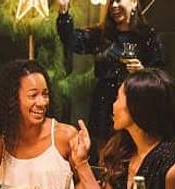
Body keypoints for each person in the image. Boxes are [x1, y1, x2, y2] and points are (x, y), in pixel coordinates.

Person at [57, 0, 164, 164]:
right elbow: (72, 41)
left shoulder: (147, 36)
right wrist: (64, 13)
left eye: (119, 0)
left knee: (132, 152)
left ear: (134, 2)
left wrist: (143, 71)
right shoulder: (102, 35)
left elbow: (160, 75)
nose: (114, 6)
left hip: (135, 103)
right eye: (111, 1)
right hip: (104, 102)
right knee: (103, 153)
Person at [0, 58, 77, 189]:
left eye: (45, 94)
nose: (42, 103)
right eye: (33, 95)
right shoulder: (1, 142)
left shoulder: (64, 136)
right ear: (13, 99)